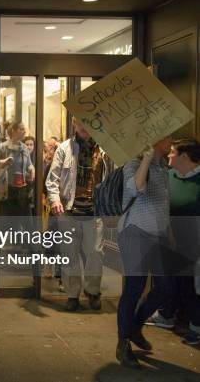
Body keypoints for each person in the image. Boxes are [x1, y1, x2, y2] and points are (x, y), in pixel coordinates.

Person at [115, 136, 173, 368]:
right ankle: (123, 343)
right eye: (167, 137)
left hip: (158, 236)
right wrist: (146, 160)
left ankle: (135, 326)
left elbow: (163, 203)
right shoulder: (133, 165)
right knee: (134, 288)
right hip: (135, 234)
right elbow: (136, 189)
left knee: (165, 287)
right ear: (156, 140)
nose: (171, 141)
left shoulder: (164, 168)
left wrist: (169, 233)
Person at [46, 117, 113, 312]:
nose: (85, 127)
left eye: (89, 122)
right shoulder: (65, 148)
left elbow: (113, 177)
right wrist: (55, 200)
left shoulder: (104, 150)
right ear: (74, 124)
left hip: (95, 210)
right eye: (81, 123)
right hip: (69, 210)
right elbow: (53, 179)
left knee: (95, 253)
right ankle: (72, 295)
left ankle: (92, 291)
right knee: (69, 255)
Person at [145, 138, 200, 345]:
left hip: (194, 244)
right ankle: (166, 316)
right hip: (168, 239)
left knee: (191, 287)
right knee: (169, 282)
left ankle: (196, 327)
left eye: (173, 152)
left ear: (184, 157)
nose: (168, 155)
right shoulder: (169, 176)